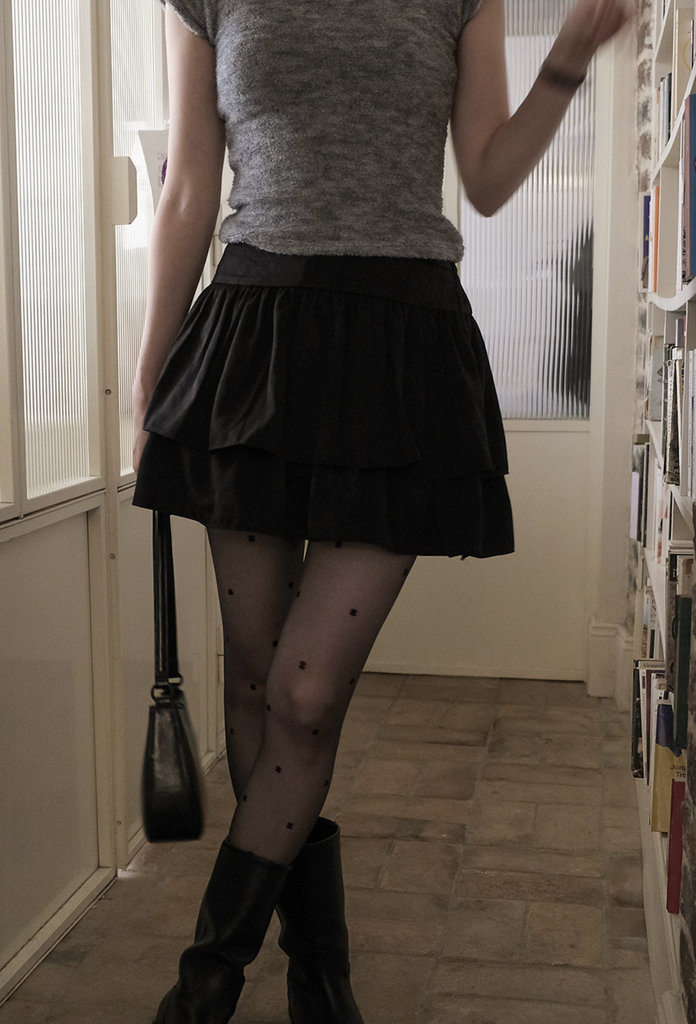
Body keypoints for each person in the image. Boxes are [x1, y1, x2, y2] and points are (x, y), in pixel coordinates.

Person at [132, 0, 630, 1021]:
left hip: (401, 346)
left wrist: (569, 60)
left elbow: (485, 179)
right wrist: (150, 385)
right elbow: (188, 187)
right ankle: (319, 972)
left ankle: (203, 987)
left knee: (305, 694)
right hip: (252, 338)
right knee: (256, 686)